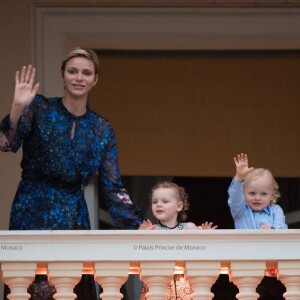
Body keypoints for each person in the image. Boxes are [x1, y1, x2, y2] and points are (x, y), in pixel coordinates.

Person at [0, 47, 143, 300]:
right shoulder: (39, 108)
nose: (79, 77)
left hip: (74, 215)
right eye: (73, 71)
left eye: (86, 73)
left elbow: (113, 187)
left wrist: (139, 225)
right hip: (32, 209)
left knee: (71, 288)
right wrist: (17, 107)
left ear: (95, 80)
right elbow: (6, 143)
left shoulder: (102, 128)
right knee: (31, 287)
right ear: (62, 75)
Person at [138, 181, 217, 300]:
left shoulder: (189, 227)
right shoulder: (152, 229)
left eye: (165, 201)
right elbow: (138, 250)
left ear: (179, 206)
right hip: (157, 281)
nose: (158, 204)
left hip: (184, 281)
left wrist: (206, 235)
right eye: (155, 202)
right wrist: (146, 234)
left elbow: (204, 249)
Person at [228, 153, 287, 300]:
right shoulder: (240, 211)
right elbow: (233, 199)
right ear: (243, 193)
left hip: (273, 271)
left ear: (272, 195)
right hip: (248, 266)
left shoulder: (275, 210)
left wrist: (272, 230)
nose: (257, 198)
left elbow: (282, 229)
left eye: (263, 193)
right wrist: (239, 178)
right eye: (252, 193)